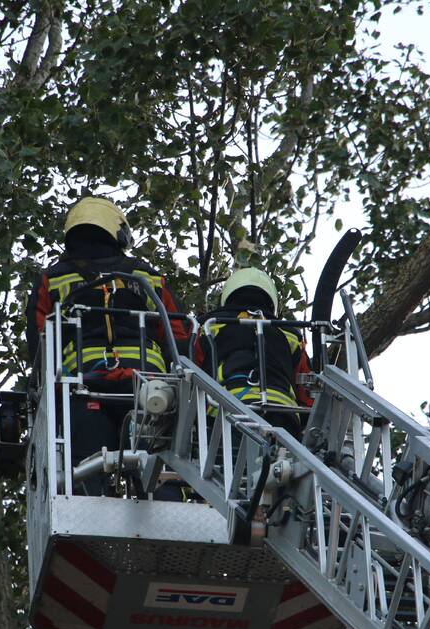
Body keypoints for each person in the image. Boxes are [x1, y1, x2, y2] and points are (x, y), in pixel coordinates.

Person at [25, 196, 190, 494]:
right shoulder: (146, 275)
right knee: (156, 471)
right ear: (119, 232)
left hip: (83, 387)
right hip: (147, 391)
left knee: (86, 474)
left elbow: (40, 341)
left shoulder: (52, 279)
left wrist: (41, 389)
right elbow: (178, 334)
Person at [199, 267, 313, 439]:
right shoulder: (290, 334)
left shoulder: (210, 327)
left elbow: (190, 370)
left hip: (225, 410)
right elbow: (307, 393)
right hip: (283, 416)